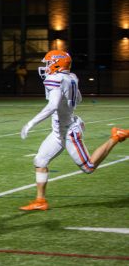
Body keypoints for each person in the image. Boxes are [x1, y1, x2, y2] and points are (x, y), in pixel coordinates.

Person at [20, 50, 128, 211]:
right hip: (59, 130)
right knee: (40, 161)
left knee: (89, 167)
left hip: (69, 131)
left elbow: (53, 106)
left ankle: (116, 137)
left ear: (57, 63)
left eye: (48, 63)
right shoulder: (71, 78)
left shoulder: (54, 79)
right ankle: (40, 201)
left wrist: (31, 123)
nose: (46, 67)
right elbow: (78, 98)